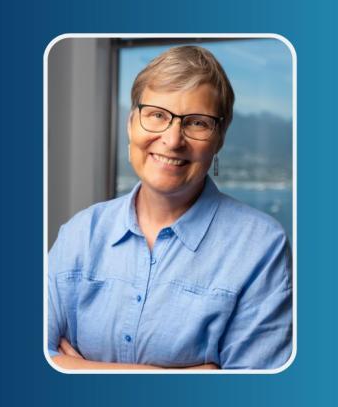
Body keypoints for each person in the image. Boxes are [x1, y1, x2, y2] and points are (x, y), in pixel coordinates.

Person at [47, 45, 292, 370]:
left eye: (197, 123)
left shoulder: (260, 247)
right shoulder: (80, 233)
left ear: (219, 139)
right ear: (131, 124)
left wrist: (78, 368)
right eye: (157, 115)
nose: (173, 139)